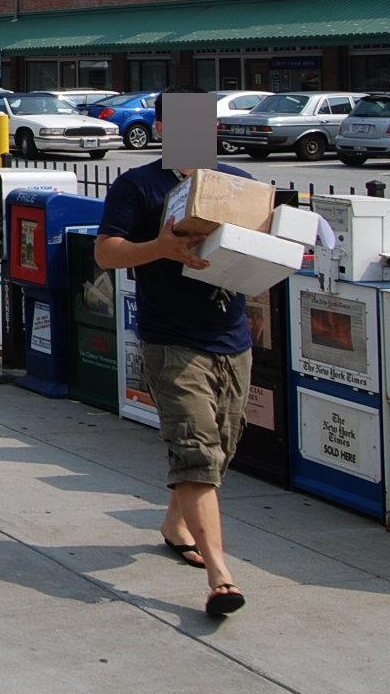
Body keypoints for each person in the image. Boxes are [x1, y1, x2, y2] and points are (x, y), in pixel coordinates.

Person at [94, 152, 258, 619]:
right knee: (196, 450)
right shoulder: (139, 185)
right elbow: (106, 252)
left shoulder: (236, 182)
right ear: (164, 128)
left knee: (221, 447)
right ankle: (220, 577)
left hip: (232, 337)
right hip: (171, 340)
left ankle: (174, 524)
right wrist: (161, 247)